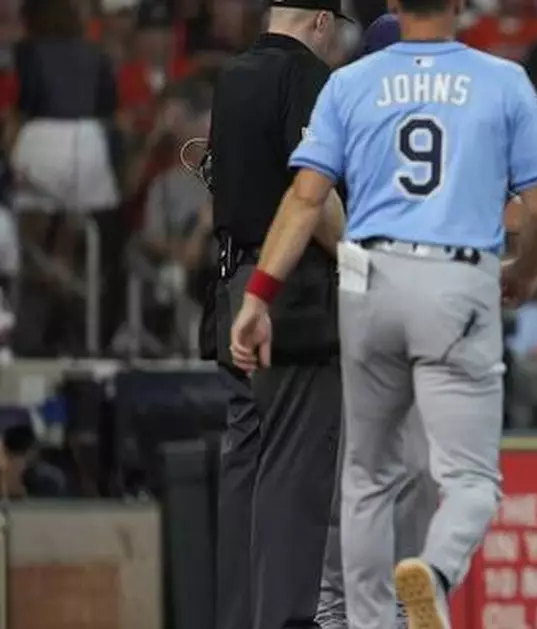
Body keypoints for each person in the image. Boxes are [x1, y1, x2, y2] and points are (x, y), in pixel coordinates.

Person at [228, 0, 537, 628]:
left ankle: (365, 623)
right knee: (469, 480)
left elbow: (307, 198)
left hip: (371, 279)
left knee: (364, 481)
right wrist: (520, 276)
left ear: (392, 7)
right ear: (461, 5)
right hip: (456, 276)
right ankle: (433, 575)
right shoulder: (500, 80)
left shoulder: (349, 82)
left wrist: (258, 294)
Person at [203, 2, 351, 629]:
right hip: (290, 298)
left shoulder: (231, 76)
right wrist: (358, 260)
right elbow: (310, 191)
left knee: (245, 467)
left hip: (232, 285)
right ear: (322, 20)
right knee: (294, 472)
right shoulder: (307, 77)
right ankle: (285, 621)